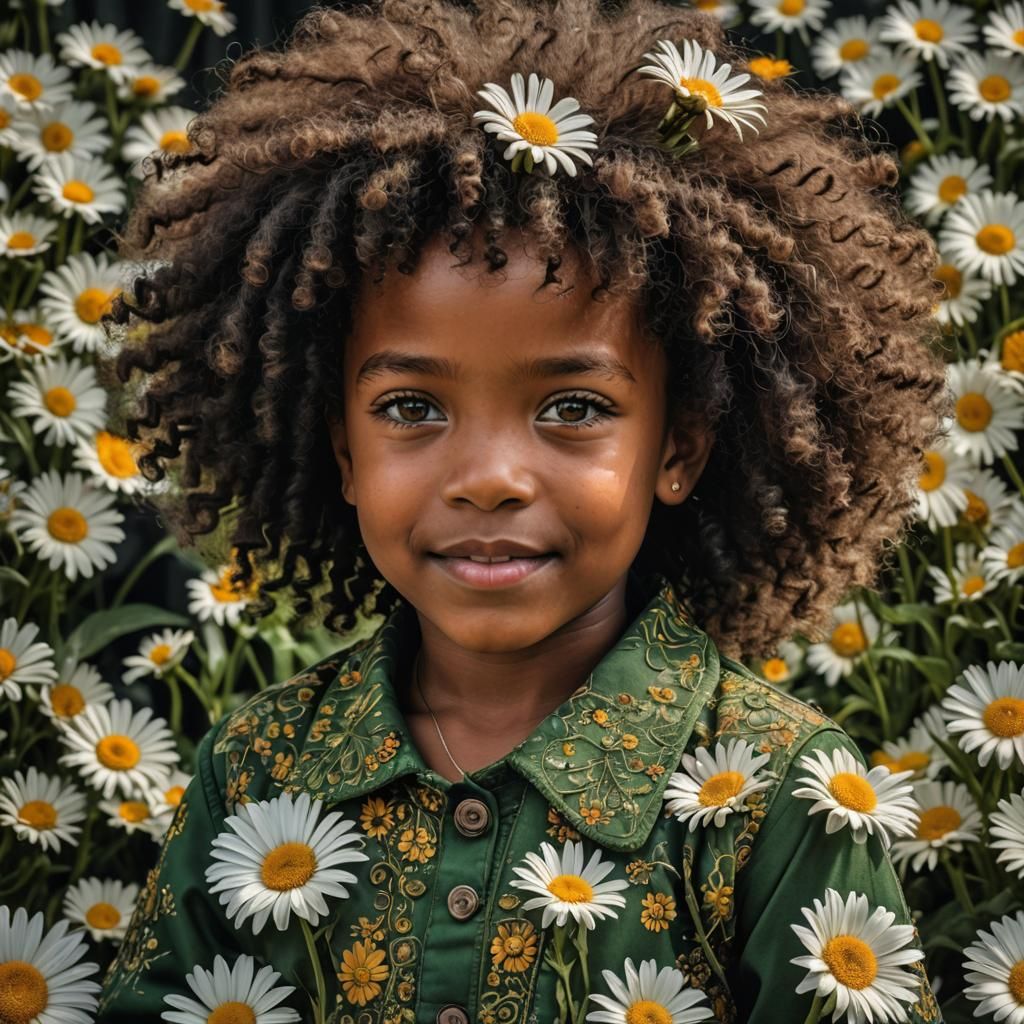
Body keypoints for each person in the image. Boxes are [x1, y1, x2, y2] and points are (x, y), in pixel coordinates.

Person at [94, 1, 950, 1021]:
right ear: (342, 451)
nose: (490, 475)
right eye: (411, 408)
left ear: (676, 446)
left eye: (573, 407)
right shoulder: (256, 772)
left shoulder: (781, 800)